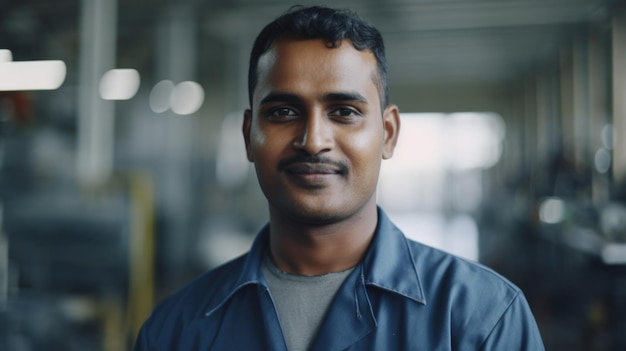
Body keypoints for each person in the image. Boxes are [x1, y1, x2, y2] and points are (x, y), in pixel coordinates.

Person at [135, 5, 545, 350]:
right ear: (248, 136)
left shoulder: (483, 319)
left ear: (387, 134)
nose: (313, 141)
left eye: (344, 112)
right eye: (283, 112)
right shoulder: (176, 330)